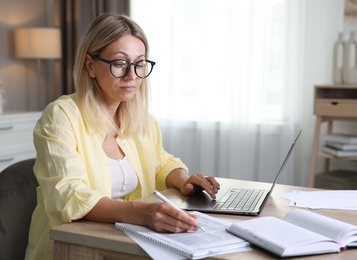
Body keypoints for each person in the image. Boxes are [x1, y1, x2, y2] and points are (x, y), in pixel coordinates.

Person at [25, 12, 220, 260]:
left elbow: (160, 162)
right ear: (90, 65)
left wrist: (183, 181)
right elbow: (69, 197)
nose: (132, 75)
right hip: (71, 248)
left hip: (126, 243)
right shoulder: (60, 117)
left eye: (139, 64)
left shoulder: (142, 118)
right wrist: (143, 213)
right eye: (120, 63)